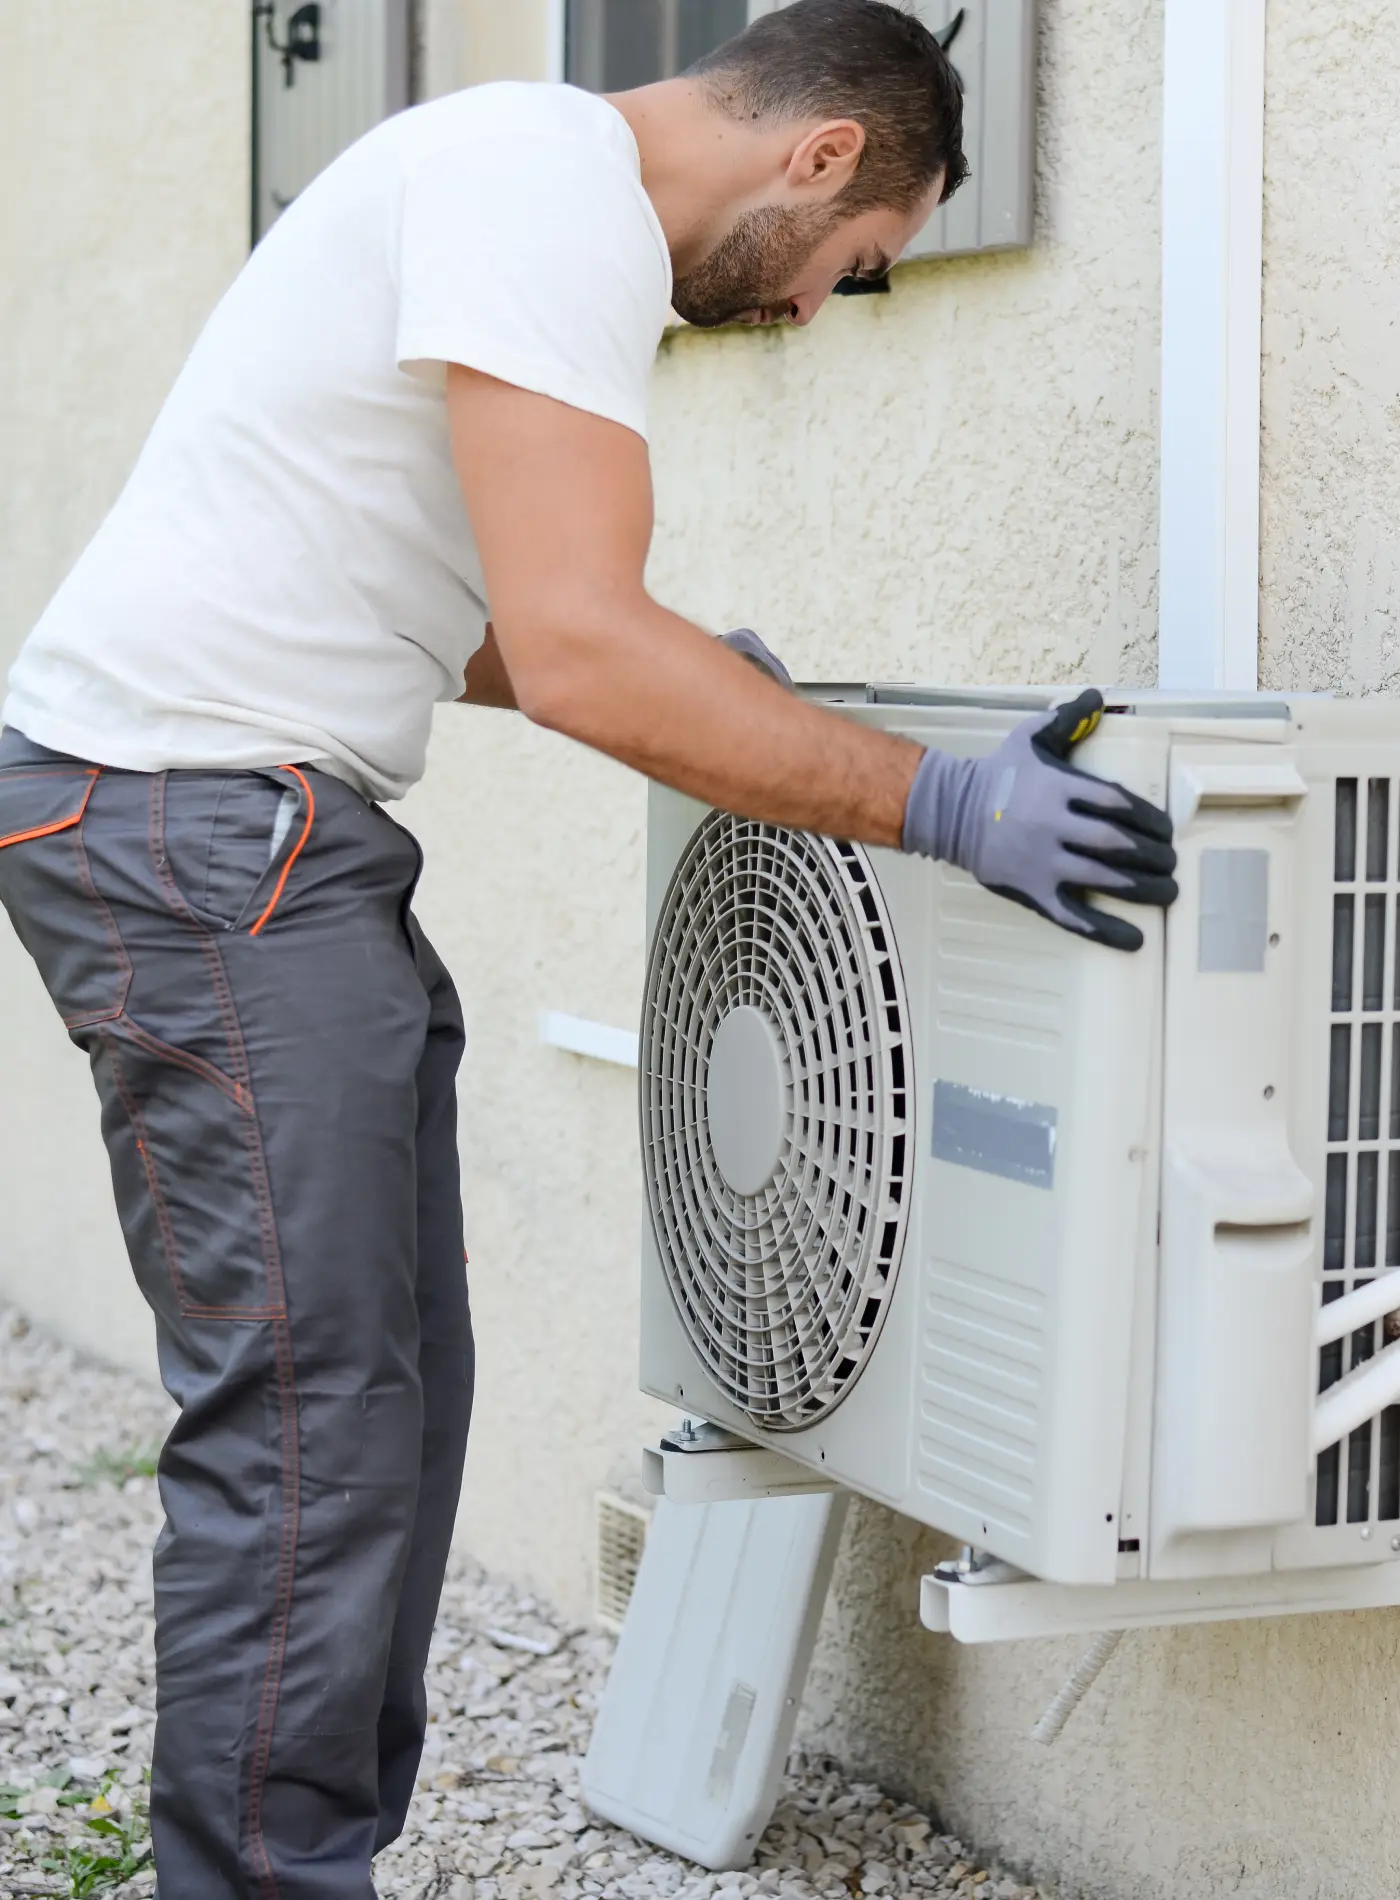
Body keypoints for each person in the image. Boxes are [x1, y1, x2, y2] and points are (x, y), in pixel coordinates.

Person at [0, 3, 1176, 1895]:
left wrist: (701, 682)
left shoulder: (511, 185)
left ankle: (308, 1857)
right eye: (857, 264)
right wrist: (943, 804)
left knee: (389, 1399)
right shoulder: (546, 189)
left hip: (230, 830)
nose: (815, 310)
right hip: (200, 835)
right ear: (817, 158)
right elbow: (575, 653)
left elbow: (443, 613)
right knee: (313, 1425)